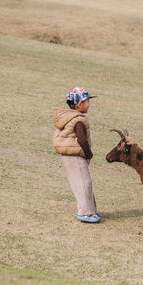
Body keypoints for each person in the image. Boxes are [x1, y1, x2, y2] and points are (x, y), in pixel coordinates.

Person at [53, 86, 100, 223]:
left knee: (84, 183)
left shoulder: (69, 117)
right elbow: (82, 140)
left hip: (69, 155)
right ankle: (85, 213)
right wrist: (89, 155)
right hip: (75, 155)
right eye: (87, 102)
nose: (89, 104)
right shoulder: (79, 120)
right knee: (83, 184)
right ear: (79, 104)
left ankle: (91, 210)